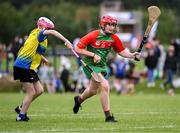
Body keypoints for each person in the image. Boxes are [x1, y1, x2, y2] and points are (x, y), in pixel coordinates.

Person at [73, 15, 140, 122]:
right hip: (89, 64)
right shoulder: (93, 35)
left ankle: (78, 100)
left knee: (92, 91)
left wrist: (132, 55)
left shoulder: (114, 38)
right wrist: (93, 55)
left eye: (113, 25)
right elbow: (77, 48)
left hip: (101, 66)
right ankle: (108, 116)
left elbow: (121, 51)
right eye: (109, 24)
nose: (112, 27)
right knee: (105, 85)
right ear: (103, 25)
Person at [13, 17, 72, 122]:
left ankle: (21, 108)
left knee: (39, 90)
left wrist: (43, 58)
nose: (48, 32)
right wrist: (66, 41)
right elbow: (53, 32)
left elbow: (34, 49)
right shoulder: (39, 32)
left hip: (28, 67)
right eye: (48, 29)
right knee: (31, 92)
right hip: (23, 65)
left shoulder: (37, 35)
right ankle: (21, 116)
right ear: (44, 27)